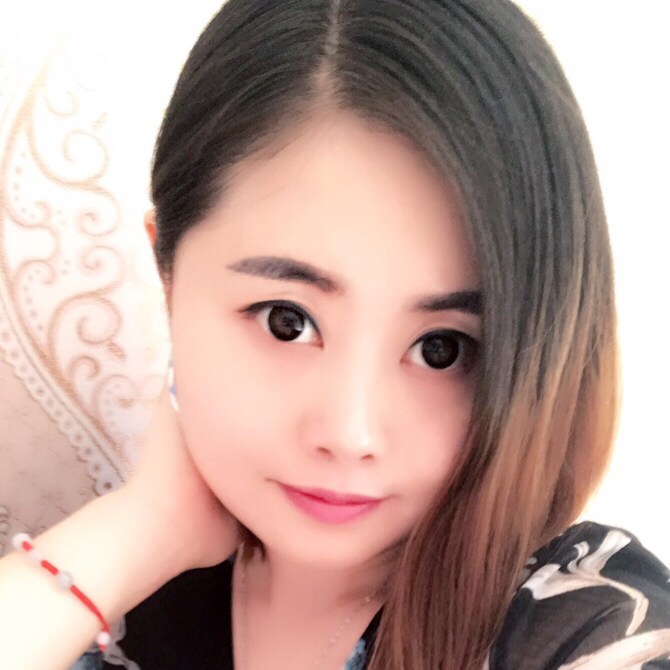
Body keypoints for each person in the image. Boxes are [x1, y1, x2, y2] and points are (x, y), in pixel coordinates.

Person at [1, 0, 669, 668]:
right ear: (167, 274)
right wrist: (144, 527)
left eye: (442, 349)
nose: (351, 435)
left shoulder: (588, 624)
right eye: (286, 322)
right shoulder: (129, 601)